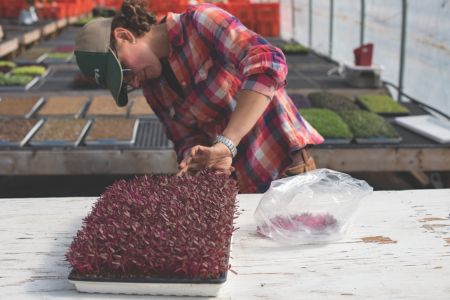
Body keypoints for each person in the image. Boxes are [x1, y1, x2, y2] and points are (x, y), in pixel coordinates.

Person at [74, 0, 324, 193]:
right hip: (240, 185)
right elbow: (184, 137)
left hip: (283, 167)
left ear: (124, 36)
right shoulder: (154, 88)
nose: (134, 82)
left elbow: (268, 62)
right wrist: (194, 160)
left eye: (125, 72)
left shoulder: (200, 23)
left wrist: (227, 143)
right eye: (125, 84)